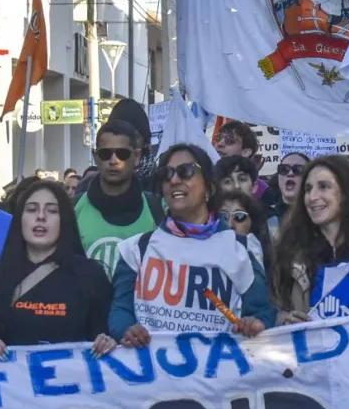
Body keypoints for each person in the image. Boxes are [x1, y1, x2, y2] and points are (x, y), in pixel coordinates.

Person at [109, 144, 275, 346]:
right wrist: (126, 329)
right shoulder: (136, 249)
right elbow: (120, 310)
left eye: (186, 171)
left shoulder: (240, 249)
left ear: (209, 188)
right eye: (166, 174)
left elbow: (263, 311)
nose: (174, 180)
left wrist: (255, 323)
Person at [0, 181, 115, 358]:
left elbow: (106, 333)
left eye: (52, 211)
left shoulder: (91, 275)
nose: (41, 217)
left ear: (64, 219)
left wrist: (107, 342)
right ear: (20, 218)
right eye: (31, 210)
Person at [272, 155, 349, 326]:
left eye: (324, 187)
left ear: (346, 193)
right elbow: (274, 307)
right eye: (308, 189)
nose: (312, 197)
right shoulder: (290, 250)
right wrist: (282, 319)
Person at [74, 121, 164, 278]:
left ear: (136, 156)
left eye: (122, 154)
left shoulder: (157, 209)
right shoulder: (74, 208)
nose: (113, 160)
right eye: (105, 154)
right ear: (95, 157)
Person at [214, 190, 271, 269]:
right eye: (224, 216)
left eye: (239, 216)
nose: (230, 224)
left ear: (252, 222)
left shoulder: (257, 253)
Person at [108, 99, 156, 190]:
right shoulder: (92, 186)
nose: (126, 143)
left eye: (133, 136)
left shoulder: (161, 184)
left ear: (145, 143)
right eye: (120, 135)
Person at [274, 152, 311, 218]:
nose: (290, 173)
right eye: (284, 169)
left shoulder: (318, 217)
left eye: (298, 169)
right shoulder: (266, 216)